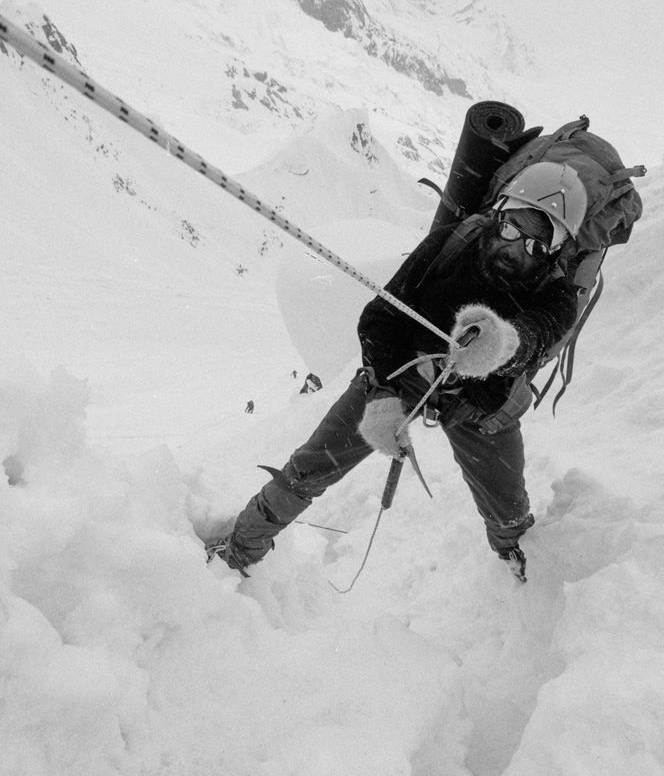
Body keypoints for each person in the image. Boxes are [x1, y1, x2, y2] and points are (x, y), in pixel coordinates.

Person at [207, 164, 587, 582]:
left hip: (480, 410)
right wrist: (382, 395)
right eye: (513, 230)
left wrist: (501, 345)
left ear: (556, 252)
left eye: (537, 245)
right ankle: (239, 550)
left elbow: (534, 337)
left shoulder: (559, 297)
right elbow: (382, 316)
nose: (516, 250)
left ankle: (523, 570)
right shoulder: (456, 242)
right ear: (498, 214)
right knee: (309, 467)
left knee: (508, 511)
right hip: (406, 370)